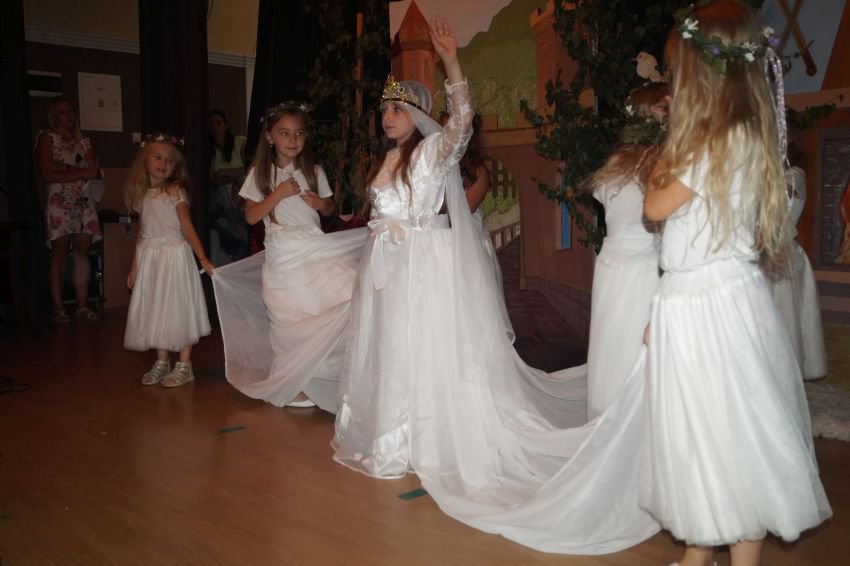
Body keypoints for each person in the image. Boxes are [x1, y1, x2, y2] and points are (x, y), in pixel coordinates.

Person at [333, 17, 659, 554]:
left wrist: (451, 60)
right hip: (389, 265)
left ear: (418, 114)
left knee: (427, 348)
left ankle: (432, 435)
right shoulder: (385, 159)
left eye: (397, 109)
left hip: (425, 266)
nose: (387, 117)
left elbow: (461, 123)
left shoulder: (432, 152)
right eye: (384, 109)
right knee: (394, 348)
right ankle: (396, 435)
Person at [641, 2, 832, 564]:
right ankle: (700, 555)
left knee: (727, 439)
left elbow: (655, 205)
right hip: (705, 300)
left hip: (709, 308)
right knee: (708, 437)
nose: (672, 85)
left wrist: (665, 149)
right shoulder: (742, 134)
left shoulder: (710, 141)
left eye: (677, 73)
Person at [211, 102, 366, 411]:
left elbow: (330, 208)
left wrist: (320, 204)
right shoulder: (260, 173)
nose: (293, 139)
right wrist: (278, 193)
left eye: (299, 133)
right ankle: (293, 384)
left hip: (314, 248)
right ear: (270, 137)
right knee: (290, 317)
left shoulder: (314, 171)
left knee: (338, 297)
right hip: (284, 254)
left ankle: (326, 377)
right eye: (284, 133)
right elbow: (252, 216)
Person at [585, 83, 666, 419]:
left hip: (611, 262)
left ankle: (609, 416)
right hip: (644, 264)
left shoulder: (614, 164)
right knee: (633, 348)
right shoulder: (660, 164)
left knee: (613, 347)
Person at [124, 134, 213, 388]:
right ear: (144, 160)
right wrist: (134, 266)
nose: (164, 163)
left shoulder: (175, 191)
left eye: (170, 160)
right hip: (151, 258)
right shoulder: (143, 195)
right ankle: (162, 361)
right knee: (157, 308)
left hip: (174, 256)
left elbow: (186, 225)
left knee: (178, 307)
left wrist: (202, 257)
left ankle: (184, 365)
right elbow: (142, 233)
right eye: (158, 157)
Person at [35, 96, 102, 323]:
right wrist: (77, 172)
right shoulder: (47, 137)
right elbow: (46, 171)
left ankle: (82, 305)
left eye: (70, 111)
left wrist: (63, 171)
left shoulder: (84, 141)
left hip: (83, 199)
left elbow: (93, 171)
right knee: (60, 252)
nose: (68, 116)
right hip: (59, 201)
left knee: (82, 252)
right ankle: (59, 307)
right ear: (54, 116)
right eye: (62, 112)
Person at [766, 165, 827, 380]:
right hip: (765, 254)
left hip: (783, 256)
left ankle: (785, 372)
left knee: (785, 316)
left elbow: (783, 207)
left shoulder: (794, 176)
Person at [208, 109, 249, 265]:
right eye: (211, 124)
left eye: (218, 123)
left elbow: (249, 169)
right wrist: (224, 178)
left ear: (226, 125)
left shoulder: (240, 143)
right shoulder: (210, 151)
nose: (215, 127)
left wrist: (228, 174)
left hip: (242, 193)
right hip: (223, 201)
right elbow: (213, 179)